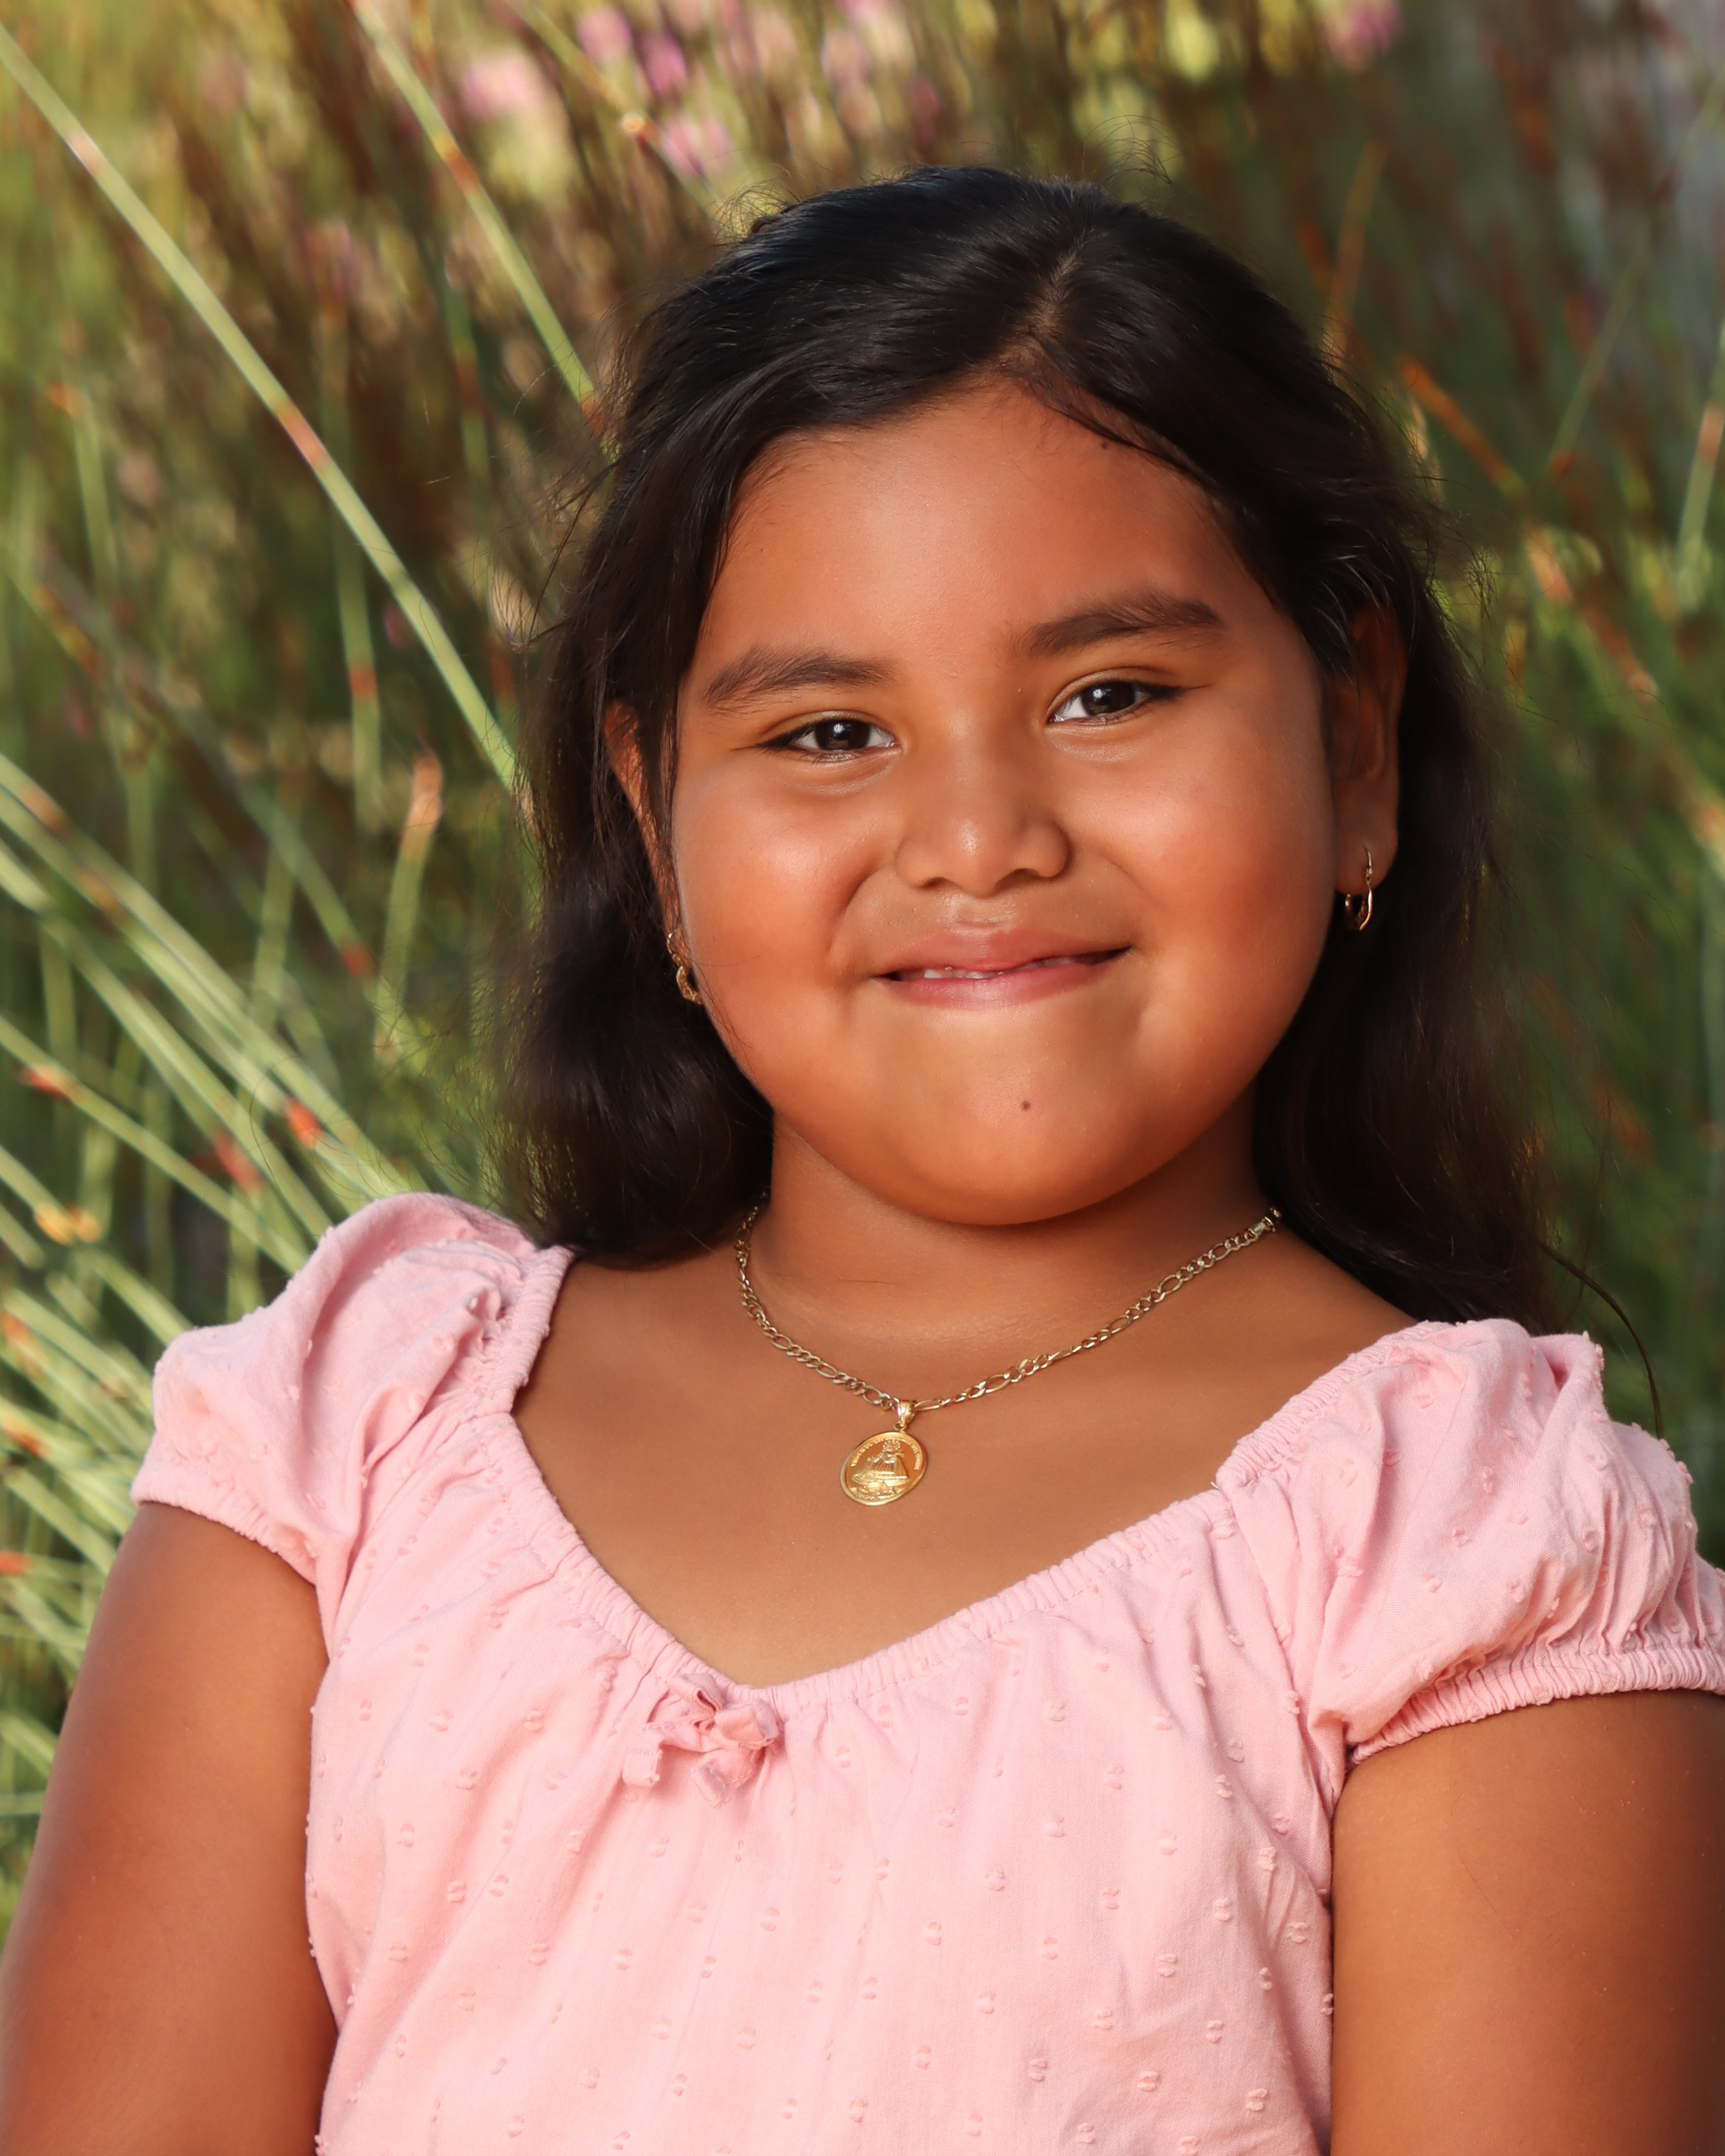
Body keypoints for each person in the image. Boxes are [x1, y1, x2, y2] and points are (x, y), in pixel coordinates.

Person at [3, 166, 1724, 2156]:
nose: (978, 838)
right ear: (653, 820)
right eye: (829, 734)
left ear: (1353, 751)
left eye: (1110, 696)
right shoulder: (363, 1443)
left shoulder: (1459, 1554)